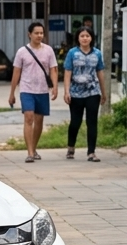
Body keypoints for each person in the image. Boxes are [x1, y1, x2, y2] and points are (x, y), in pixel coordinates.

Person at [8, 21, 59, 163]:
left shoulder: (48, 50)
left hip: (42, 90)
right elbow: (16, 73)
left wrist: (55, 86)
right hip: (26, 89)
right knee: (29, 117)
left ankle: (34, 148)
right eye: (36, 33)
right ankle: (29, 152)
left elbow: (53, 69)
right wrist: (12, 93)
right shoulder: (22, 52)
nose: (39, 35)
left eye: (41, 33)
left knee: (39, 120)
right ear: (29, 34)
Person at [63, 27, 107, 162]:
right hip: (76, 93)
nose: (85, 38)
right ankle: (71, 146)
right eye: (82, 36)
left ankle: (91, 152)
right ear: (78, 38)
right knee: (75, 122)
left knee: (92, 121)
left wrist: (103, 92)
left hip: (93, 92)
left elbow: (100, 72)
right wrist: (66, 91)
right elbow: (68, 72)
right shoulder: (72, 53)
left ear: (91, 38)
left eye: (87, 36)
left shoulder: (97, 54)